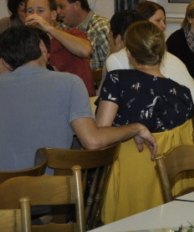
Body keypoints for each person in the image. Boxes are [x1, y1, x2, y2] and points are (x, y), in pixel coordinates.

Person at [0, 26, 156, 172]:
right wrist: (136, 128)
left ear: (5, 62)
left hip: (5, 187)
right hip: (52, 187)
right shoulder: (69, 83)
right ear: (42, 46)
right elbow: (93, 141)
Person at [96, 21, 194, 132]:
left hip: (127, 144)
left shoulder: (117, 80)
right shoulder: (184, 95)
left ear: (129, 53)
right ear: (163, 51)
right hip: (173, 144)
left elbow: (101, 133)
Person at [104, 7, 194, 110]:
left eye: (109, 37)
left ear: (118, 39)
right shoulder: (172, 57)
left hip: (176, 118)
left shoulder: (115, 59)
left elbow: (124, 104)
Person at [24, 0, 95, 96]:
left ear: (53, 15)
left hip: (78, 98)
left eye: (40, 11)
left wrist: (49, 28)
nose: (34, 15)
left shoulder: (72, 33)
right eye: (30, 11)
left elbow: (85, 50)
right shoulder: (24, 44)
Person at [52, 0, 110, 70]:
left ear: (77, 5)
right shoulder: (60, 29)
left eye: (62, 7)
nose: (58, 12)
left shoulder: (101, 27)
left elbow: (112, 67)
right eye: (56, 8)